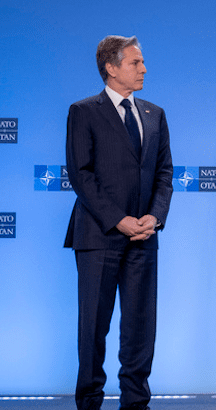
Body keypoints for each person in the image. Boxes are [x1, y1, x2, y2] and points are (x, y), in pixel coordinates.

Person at [65, 35, 173, 410]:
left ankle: (135, 403)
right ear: (111, 68)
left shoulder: (154, 113)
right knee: (94, 327)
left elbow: (164, 173)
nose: (144, 69)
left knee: (141, 328)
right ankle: (90, 401)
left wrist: (154, 217)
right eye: (135, 63)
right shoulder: (84, 111)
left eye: (142, 63)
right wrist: (119, 220)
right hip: (98, 236)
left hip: (145, 237)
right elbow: (82, 175)